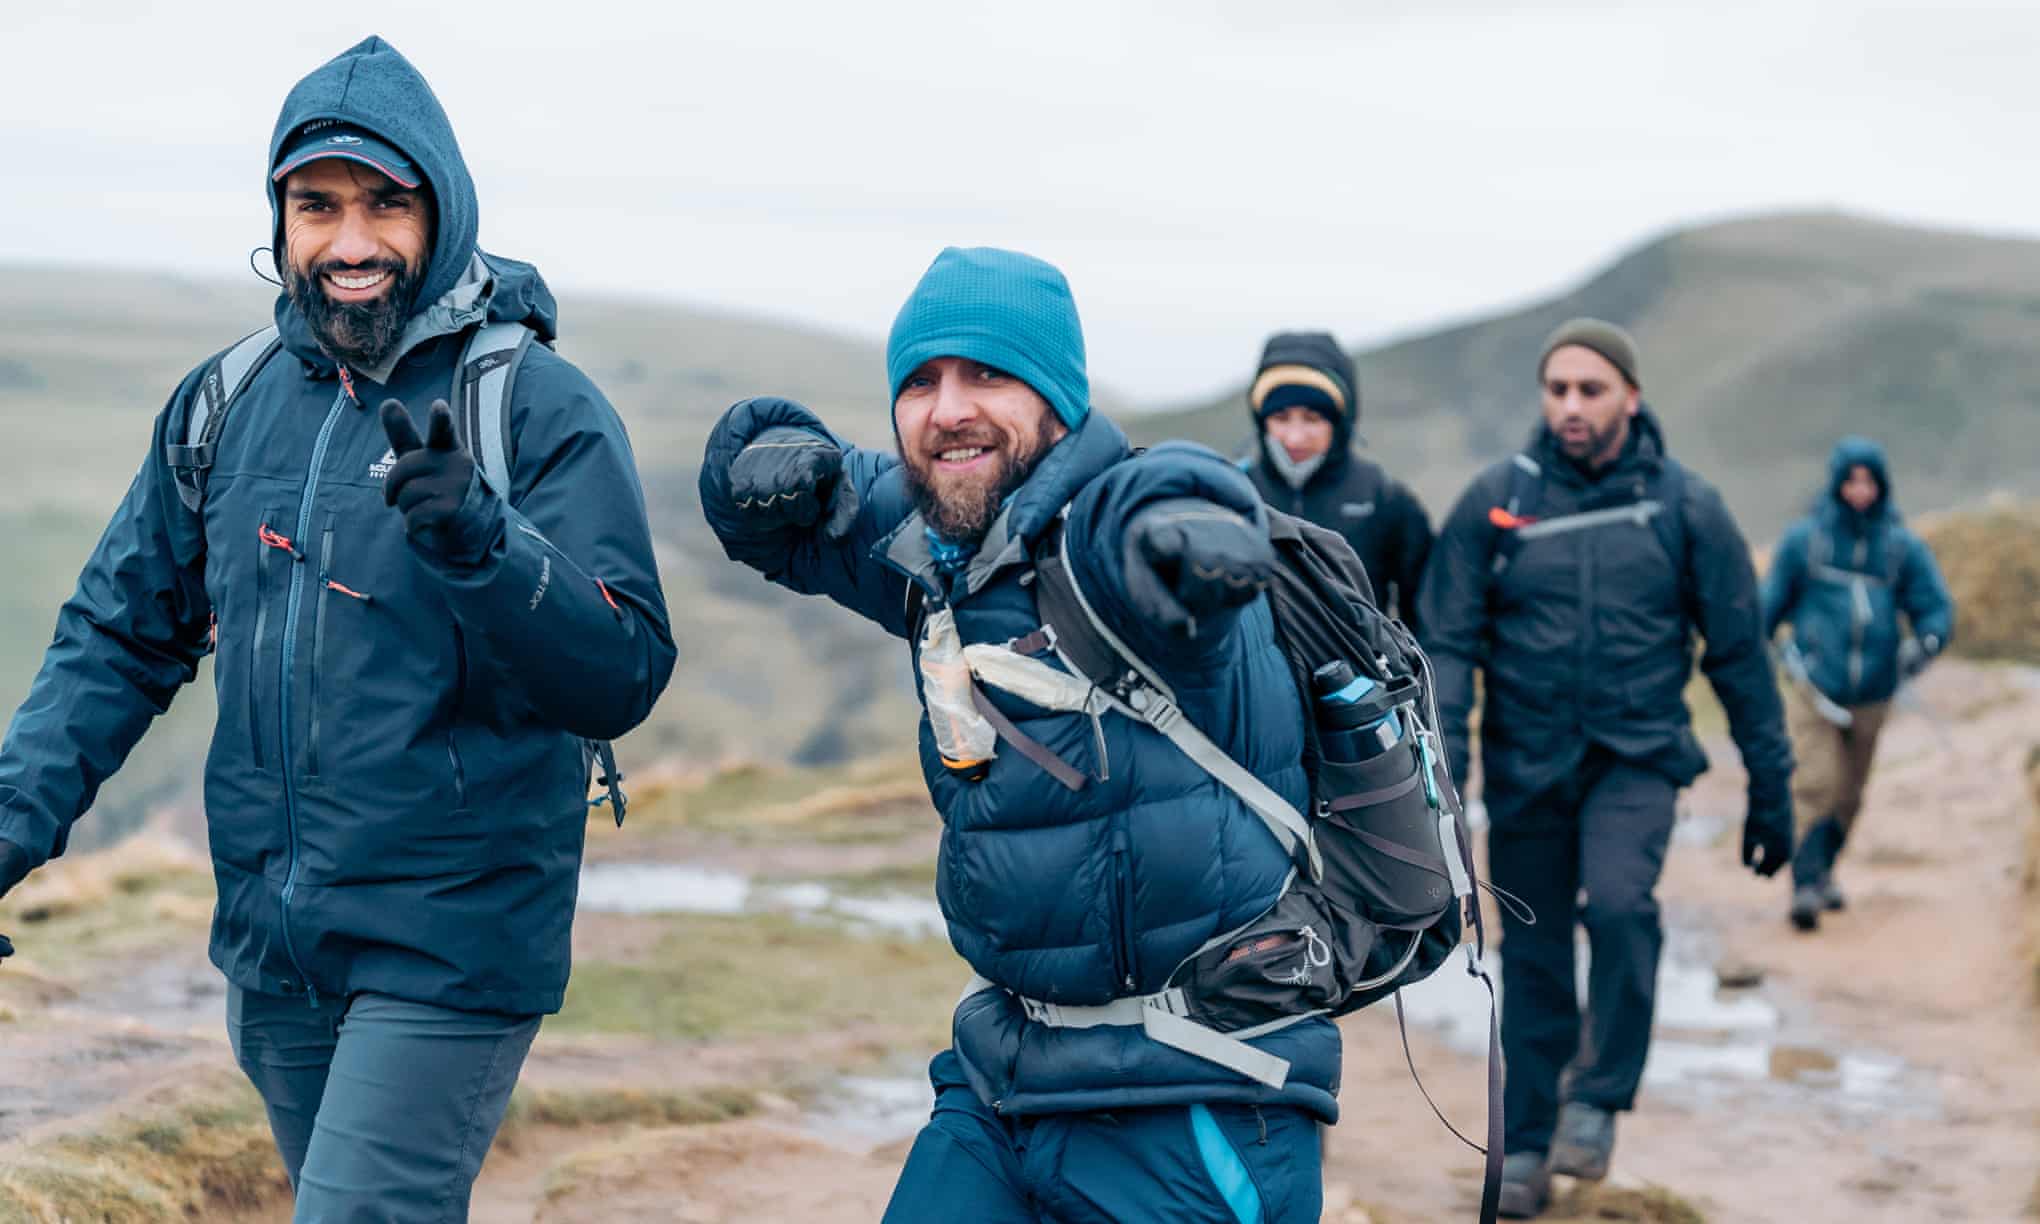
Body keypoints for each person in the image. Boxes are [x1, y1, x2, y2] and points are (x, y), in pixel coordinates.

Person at [0, 37, 674, 1220]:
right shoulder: (228, 401)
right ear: (282, 217)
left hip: (450, 947)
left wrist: (484, 541)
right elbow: (117, 636)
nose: (350, 242)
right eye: (317, 206)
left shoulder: (535, 406)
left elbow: (620, 670)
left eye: (384, 204)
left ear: (441, 213)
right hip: (274, 952)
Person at [700, 247, 1330, 1222]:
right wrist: (764, 455)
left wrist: (1193, 534)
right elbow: (779, 522)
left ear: (1059, 403)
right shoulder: (942, 535)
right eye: (920, 381)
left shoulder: (1118, 536)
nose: (948, 406)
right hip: (1007, 1081)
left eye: (987, 373)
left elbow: (1171, 495)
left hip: (1195, 1100)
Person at [1418, 319, 1795, 1218]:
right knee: (1537, 955)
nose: (1572, 406)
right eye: (1557, 390)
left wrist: (1772, 791)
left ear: (1631, 394)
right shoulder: (1496, 502)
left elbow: (1739, 657)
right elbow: (1448, 647)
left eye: (1591, 389)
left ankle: (1599, 1095)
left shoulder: (1684, 507)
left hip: (1637, 758)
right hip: (1527, 767)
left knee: (1622, 908)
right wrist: (1444, 786)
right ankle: (1530, 1145)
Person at [1761, 436, 1953, 930]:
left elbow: (1935, 608)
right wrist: (1760, 655)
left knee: (1849, 794)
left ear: (1882, 486)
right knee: (1815, 783)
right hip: (1811, 687)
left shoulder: (1900, 548)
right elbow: (1769, 606)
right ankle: (1803, 886)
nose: (1860, 490)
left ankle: (1824, 871)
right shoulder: (1806, 542)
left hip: (1873, 692)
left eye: (1869, 481)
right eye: (1851, 480)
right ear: (1836, 483)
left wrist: (1923, 646)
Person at [1241, 332, 1433, 632]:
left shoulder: (1385, 499)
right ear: (1260, 419)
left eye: (1312, 418)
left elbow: (1426, 619)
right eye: (1280, 417)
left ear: (1341, 422)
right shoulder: (1235, 494)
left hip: (1364, 673)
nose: (1295, 436)